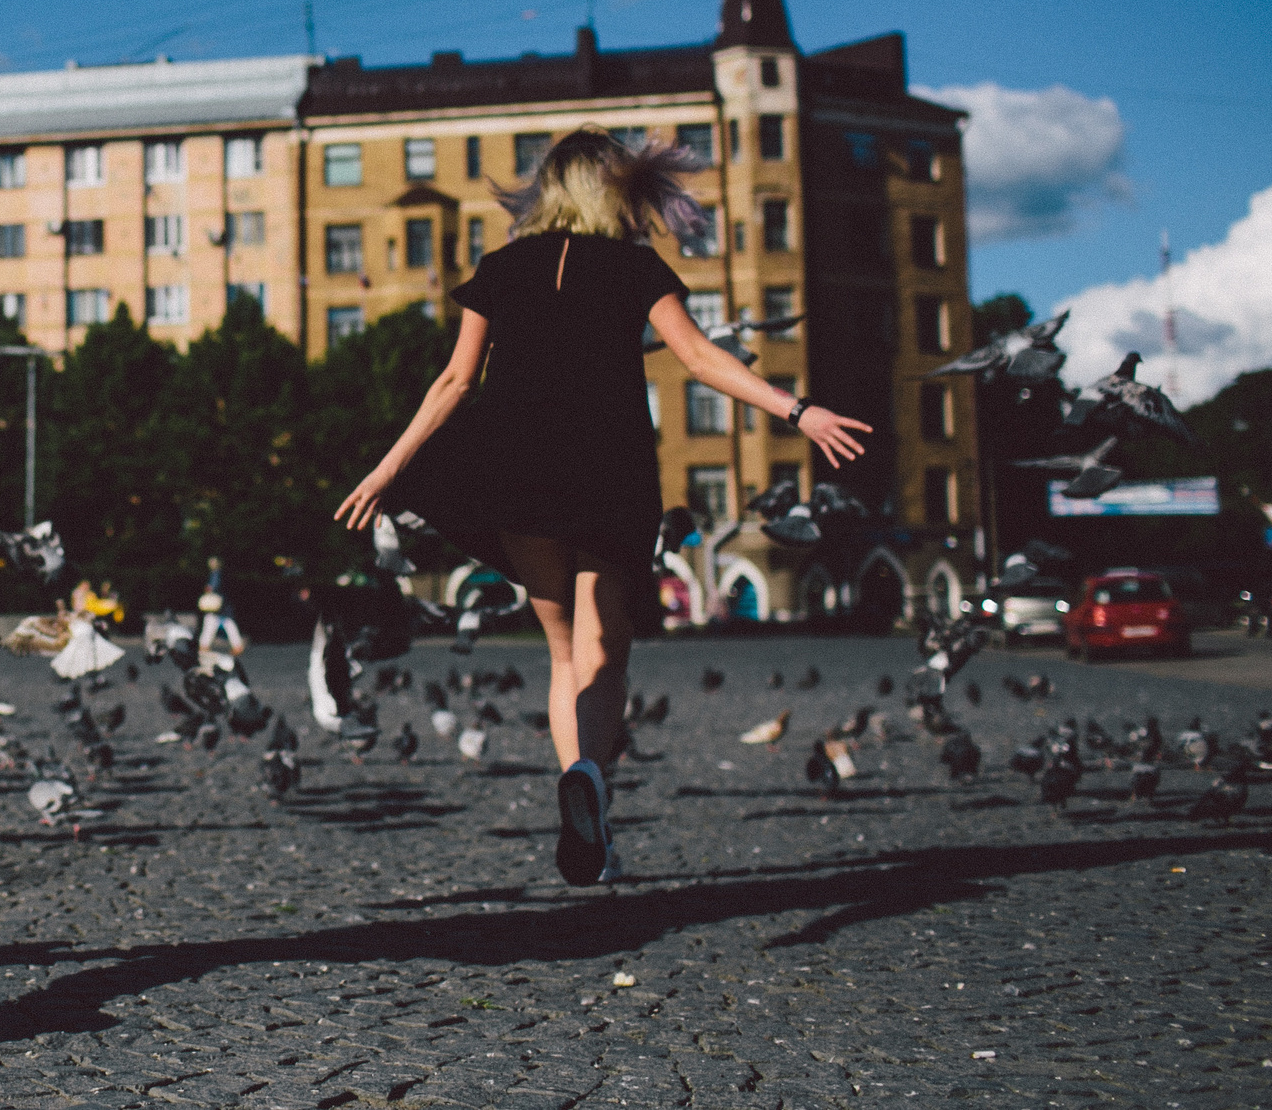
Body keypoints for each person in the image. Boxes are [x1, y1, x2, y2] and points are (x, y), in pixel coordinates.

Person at [335, 128, 871, 887]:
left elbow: (453, 382)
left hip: (516, 470)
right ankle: (591, 777)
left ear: (547, 191)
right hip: (608, 469)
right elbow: (697, 356)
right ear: (614, 193)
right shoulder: (633, 266)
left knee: (561, 653)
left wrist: (387, 469)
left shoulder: (500, 268)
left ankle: (580, 786)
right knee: (605, 650)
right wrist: (797, 409)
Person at [197, 557, 245, 656]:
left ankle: (204, 646)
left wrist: (207, 589)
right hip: (223, 604)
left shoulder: (215, 574)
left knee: (211, 623)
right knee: (227, 624)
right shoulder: (223, 574)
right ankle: (237, 646)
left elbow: (211, 588)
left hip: (217, 605)